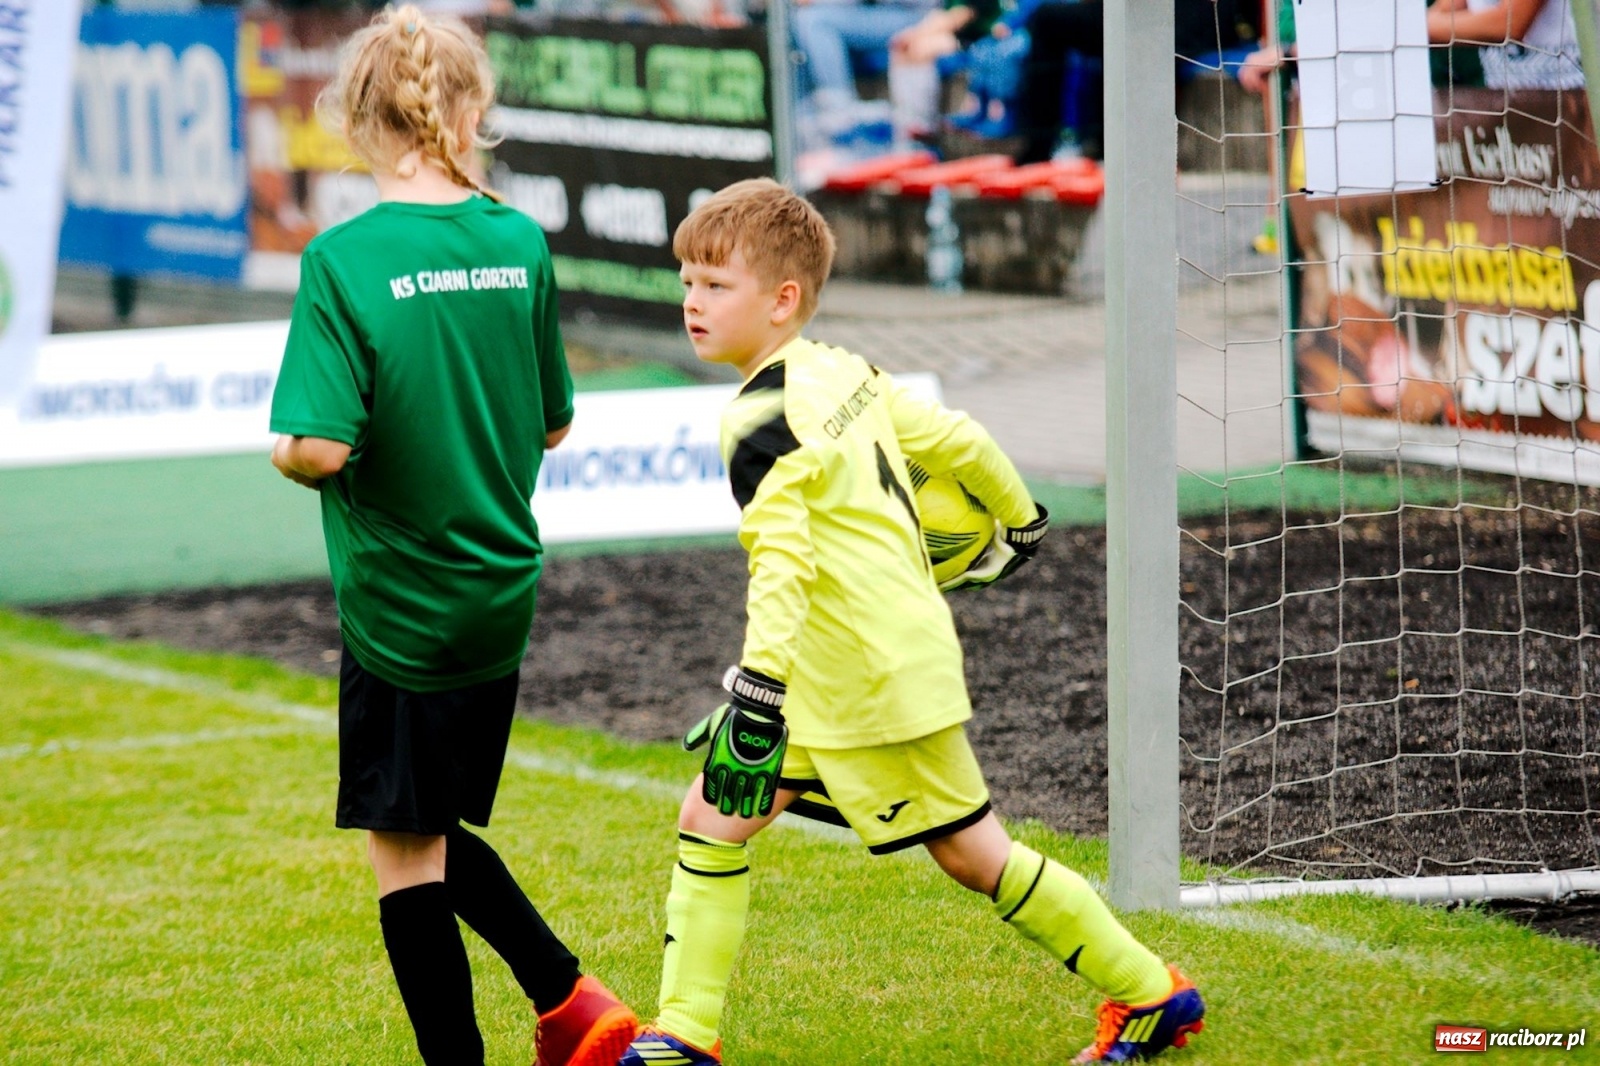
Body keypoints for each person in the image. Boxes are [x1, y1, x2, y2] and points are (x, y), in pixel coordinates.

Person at [617, 177, 1206, 1066]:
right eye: (687, 282)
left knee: (977, 856)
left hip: (868, 680)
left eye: (715, 285)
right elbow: (958, 440)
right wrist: (1021, 520)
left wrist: (755, 694)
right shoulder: (844, 368)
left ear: (783, 301)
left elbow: (782, 564)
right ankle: (685, 1036)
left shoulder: (758, 418)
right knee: (713, 814)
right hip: (846, 672)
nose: (693, 303)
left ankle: (1152, 995)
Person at [266, 7, 636, 1065]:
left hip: (400, 604)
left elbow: (321, 448)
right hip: (497, 591)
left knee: (403, 847)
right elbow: (556, 419)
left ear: (354, 119)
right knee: (422, 822)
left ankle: (513, 1032)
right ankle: (570, 1002)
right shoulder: (516, 241)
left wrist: (287, 446)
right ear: (470, 111)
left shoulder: (344, 260)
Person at [1426, 0, 1585, 90]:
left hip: (1567, 91)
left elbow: (1510, 23)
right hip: (1503, 92)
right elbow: (1447, 9)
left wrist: (1416, 27)